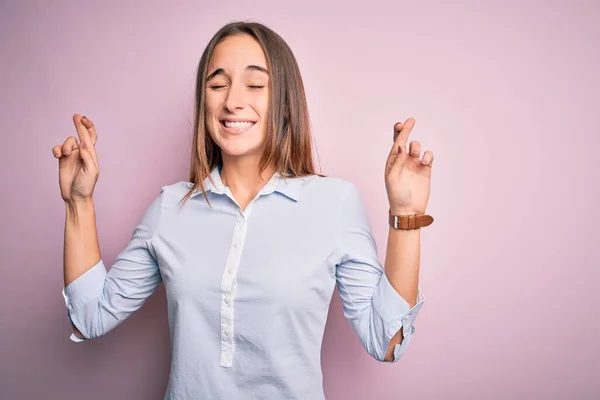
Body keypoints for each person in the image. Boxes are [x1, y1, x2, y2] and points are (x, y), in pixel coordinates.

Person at [52, 21, 435, 400]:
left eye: (255, 84)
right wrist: (78, 203)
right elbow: (89, 317)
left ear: (285, 102)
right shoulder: (170, 207)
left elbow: (386, 341)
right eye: (217, 84)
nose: (232, 101)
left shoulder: (334, 203)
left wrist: (406, 216)